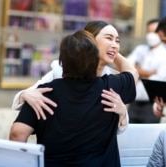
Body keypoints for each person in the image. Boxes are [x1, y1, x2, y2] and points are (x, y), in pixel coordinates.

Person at [9, 29, 138, 167]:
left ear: (62, 60)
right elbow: (132, 72)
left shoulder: (42, 94)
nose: (114, 43)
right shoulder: (112, 87)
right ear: (96, 59)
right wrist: (112, 51)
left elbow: (18, 133)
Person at [11, 20, 131, 133]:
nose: (115, 45)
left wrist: (122, 113)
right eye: (109, 38)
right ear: (90, 40)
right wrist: (24, 95)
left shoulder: (112, 79)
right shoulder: (59, 71)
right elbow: (21, 102)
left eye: (117, 41)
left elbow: (118, 131)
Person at [127, 18, 166, 123]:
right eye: (149, 31)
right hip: (134, 103)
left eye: (155, 32)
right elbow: (127, 68)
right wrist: (151, 72)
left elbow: (159, 80)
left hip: (152, 105)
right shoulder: (140, 49)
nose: (151, 35)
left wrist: (138, 72)